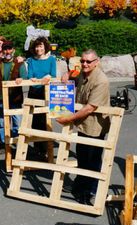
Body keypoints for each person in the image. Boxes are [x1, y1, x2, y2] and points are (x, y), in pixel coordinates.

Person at [56, 49, 110, 205]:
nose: (85, 64)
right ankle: (80, 186)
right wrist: (66, 76)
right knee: (82, 155)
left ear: (96, 62)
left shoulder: (101, 80)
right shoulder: (83, 74)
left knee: (92, 159)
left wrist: (68, 118)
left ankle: (90, 191)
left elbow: (89, 108)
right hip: (83, 125)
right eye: (83, 61)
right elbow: (73, 77)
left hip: (95, 126)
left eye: (88, 61)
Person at [0, 41, 27, 154]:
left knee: (17, 124)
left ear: (13, 50)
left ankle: (16, 144)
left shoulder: (19, 64)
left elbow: (25, 78)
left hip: (15, 100)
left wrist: (21, 80)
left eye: (9, 49)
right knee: (2, 124)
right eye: (5, 49)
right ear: (2, 51)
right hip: (1, 100)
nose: (7, 51)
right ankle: (4, 144)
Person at [26, 36, 57, 159]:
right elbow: (30, 75)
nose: (39, 49)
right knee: (34, 120)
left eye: (41, 46)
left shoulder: (51, 59)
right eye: (37, 46)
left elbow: (53, 74)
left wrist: (48, 77)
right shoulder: (31, 60)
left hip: (46, 92)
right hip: (34, 91)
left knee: (44, 120)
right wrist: (32, 79)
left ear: (45, 47)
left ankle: (45, 149)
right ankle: (37, 148)